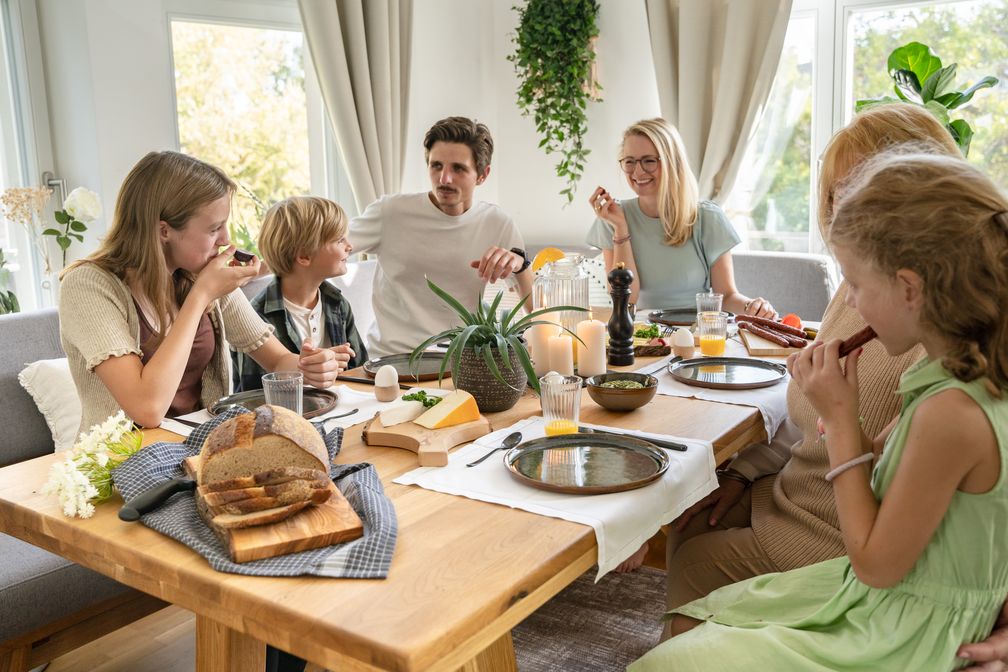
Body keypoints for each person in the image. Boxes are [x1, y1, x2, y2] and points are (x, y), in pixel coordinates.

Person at [632, 150, 1008, 670]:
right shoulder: (951, 377)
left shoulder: (951, 411)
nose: (849, 303)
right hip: (889, 597)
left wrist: (840, 420)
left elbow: (875, 564)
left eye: (854, 283)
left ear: (909, 289)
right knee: (697, 617)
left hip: (902, 622)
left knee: (670, 661)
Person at [662, 103, 961, 607]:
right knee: (687, 525)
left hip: (838, 535)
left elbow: (895, 488)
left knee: (694, 560)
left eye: (867, 185)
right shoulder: (855, 289)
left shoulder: (936, 342)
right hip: (794, 494)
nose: (846, 205)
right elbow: (809, 419)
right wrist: (745, 470)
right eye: (837, 192)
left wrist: (840, 419)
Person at [59, 151, 342, 433]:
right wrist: (201, 295)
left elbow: (277, 359)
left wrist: (307, 366)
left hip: (201, 448)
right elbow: (147, 409)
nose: (226, 239)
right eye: (214, 228)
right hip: (123, 461)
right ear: (163, 231)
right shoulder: (87, 286)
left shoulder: (201, 273)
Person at [349, 116, 533, 357]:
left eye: (458, 168)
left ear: (482, 174)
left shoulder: (496, 223)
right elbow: (330, 247)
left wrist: (520, 265)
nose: (444, 179)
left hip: (461, 363)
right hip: (391, 362)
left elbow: (536, 310)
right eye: (436, 166)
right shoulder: (390, 213)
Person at [585, 117, 774, 317]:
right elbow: (626, 301)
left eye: (649, 161)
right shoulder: (614, 218)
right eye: (630, 162)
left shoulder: (707, 218)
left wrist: (752, 307)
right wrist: (621, 229)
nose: (638, 171)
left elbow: (726, 296)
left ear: (672, 162)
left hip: (697, 336)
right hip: (643, 338)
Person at [232, 196, 367, 392]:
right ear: (304, 256)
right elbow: (255, 396)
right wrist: (316, 368)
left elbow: (362, 372)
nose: (350, 246)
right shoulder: (255, 317)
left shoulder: (337, 303)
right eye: (339, 240)